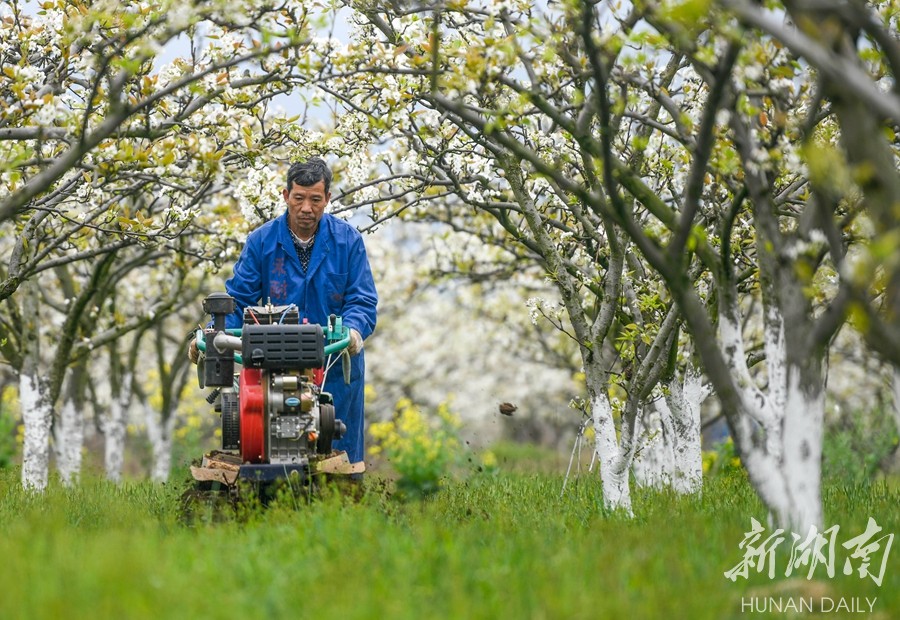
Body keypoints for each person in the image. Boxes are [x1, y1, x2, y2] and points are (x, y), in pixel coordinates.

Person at [190, 158, 378, 465]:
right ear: (285, 196)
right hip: (274, 360)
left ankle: (344, 506)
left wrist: (354, 331)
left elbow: (362, 299)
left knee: (339, 454)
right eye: (299, 198)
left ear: (327, 199)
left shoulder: (348, 241)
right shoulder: (261, 241)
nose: (307, 208)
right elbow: (237, 299)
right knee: (267, 440)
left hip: (332, 359)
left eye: (315, 200)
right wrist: (214, 334)